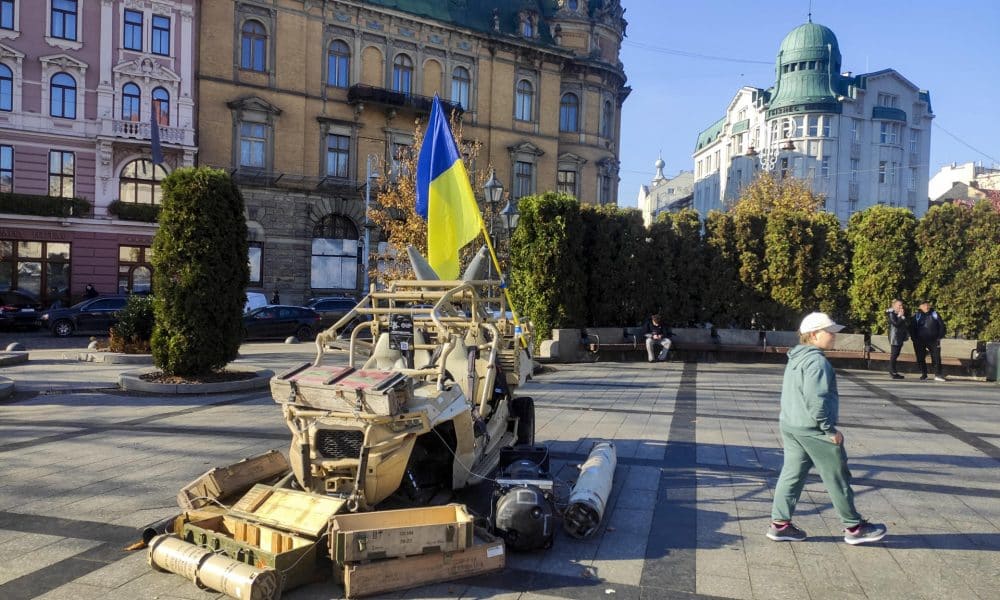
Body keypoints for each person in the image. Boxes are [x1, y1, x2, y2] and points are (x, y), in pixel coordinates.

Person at [768, 312, 887, 545]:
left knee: (791, 475)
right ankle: (854, 527)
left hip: (792, 425)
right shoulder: (817, 361)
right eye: (828, 332)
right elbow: (816, 400)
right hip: (813, 429)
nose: (833, 336)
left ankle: (780, 525)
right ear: (813, 335)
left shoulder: (796, 357)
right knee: (837, 476)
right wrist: (829, 430)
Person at [911, 300, 946, 382]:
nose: (926, 307)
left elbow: (942, 326)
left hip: (933, 340)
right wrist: (914, 339)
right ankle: (924, 374)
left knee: (936, 357)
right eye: (923, 305)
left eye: (927, 305)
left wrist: (939, 337)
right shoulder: (917, 316)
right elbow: (912, 328)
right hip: (920, 340)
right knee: (920, 357)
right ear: (920, 307)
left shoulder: (935, 314)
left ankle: (938, 374)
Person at [886, 299, 909, 379]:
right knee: (894, 354)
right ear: (894, 306)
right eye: (899, 305)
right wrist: (901, 317)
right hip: (894, 337)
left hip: (899, 337)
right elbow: (896, 324)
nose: (901, 307)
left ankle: (893, 371)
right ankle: (892, 371)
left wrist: (902, 316)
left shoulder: (899, 313)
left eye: (901, 305)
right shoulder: (891, 314)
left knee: (896, 354)